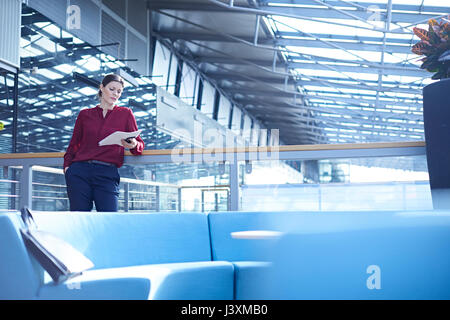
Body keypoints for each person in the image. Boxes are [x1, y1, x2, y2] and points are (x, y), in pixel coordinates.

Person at [63, 73, 145, 211]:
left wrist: (134, 145)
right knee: (80, 220)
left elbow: (139, 144)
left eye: (119, 91)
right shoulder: (85, 114)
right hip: (79, 173)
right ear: (102, 87)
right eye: (112, 89)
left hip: (107, 173)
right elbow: (74, 144)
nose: (116, 94)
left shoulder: (126, 114)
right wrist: (67, 168)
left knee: (109, 219)